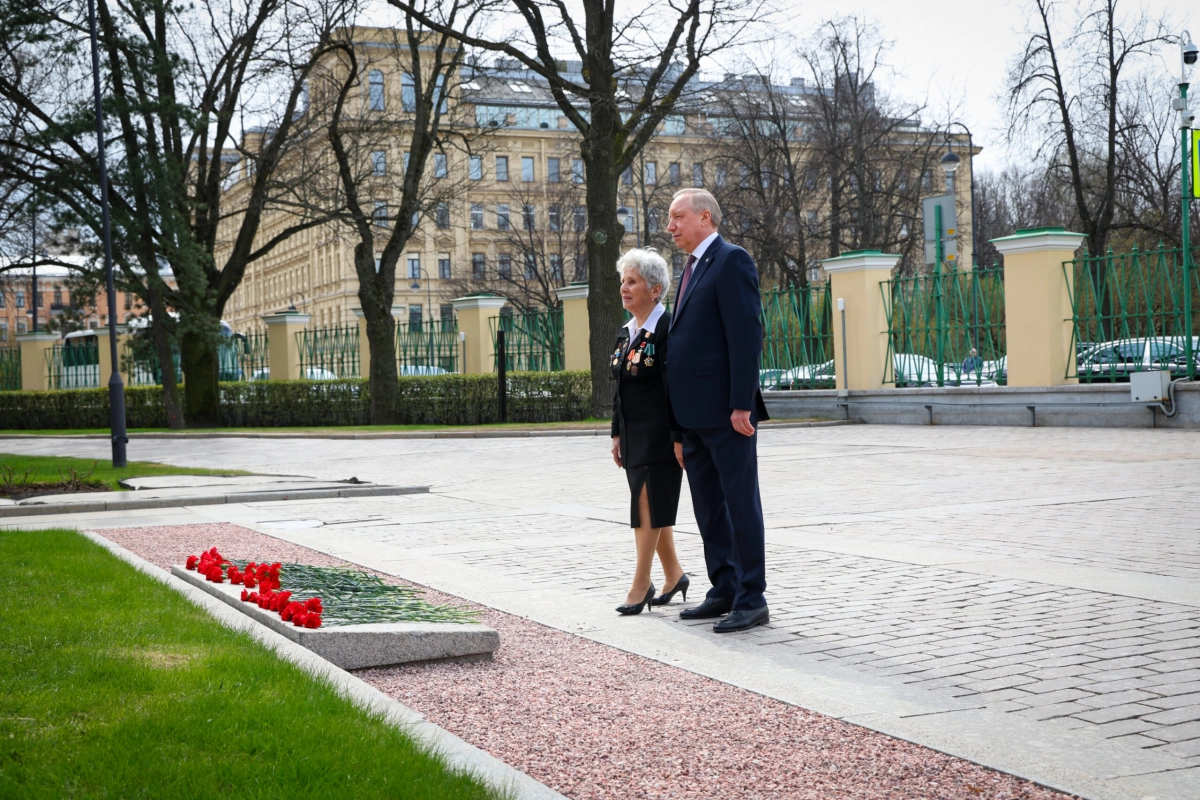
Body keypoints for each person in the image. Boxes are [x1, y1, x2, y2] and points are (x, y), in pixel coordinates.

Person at [664, 188, 771, 633]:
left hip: (728, 415)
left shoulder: (731, 260)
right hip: (693, 417)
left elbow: (747, 335)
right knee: (708, 509)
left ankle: (752, 597)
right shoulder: (690, 268)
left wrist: (741, 404)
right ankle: (723, 587)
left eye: (677, 217)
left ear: (704, 217)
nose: (670, 227)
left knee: (739, 504)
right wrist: (676, 426)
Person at [609, 248, 689, 616]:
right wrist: (615, 434)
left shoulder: (668, 329)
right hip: (632, 434)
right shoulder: (626, 333)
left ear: (655, 290)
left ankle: (641, 584)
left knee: (645, 507)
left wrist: (678, 435)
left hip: (659, 434)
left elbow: (676, 388)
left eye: (633, 281)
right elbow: (620, 389)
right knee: (651, 509)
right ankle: (674, 575)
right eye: (623, 281)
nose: (624, 288)